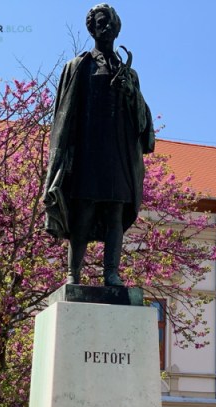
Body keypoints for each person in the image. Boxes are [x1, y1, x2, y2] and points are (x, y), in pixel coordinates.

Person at [43, 4, 155, 287]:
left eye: (109, 23)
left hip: (118, 151)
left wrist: (130, 92)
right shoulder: (78, 66)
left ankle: (111, 273)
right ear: (91, 29)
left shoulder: (129, 73)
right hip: (87, 150)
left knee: (115, 211)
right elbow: (64, 115)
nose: (104, 28)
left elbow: (143, 119)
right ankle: (73, 273)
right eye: (99, 23)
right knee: (84, 210)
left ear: (117, 29)